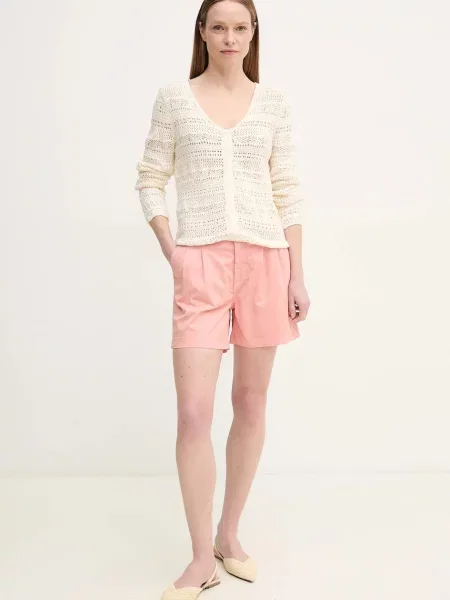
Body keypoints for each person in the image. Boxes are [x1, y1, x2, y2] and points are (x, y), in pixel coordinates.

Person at [134, 1, 310, 598]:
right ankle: (197, 557)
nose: (230, 36)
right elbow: (150, 177)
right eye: (219, 26)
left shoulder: (274, 104)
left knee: (251, 403)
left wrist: (297, 274)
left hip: (266, 262)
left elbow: (288, 189)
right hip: (200, 265)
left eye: (240, 27)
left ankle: (228, 535)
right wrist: (174, 251)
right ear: (203, 32)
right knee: (193, 414)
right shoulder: (174, 99)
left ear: (253, 33)